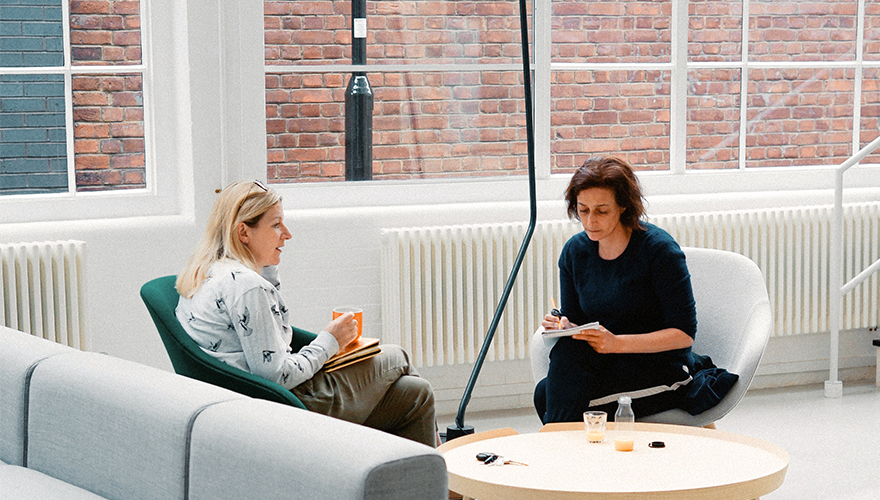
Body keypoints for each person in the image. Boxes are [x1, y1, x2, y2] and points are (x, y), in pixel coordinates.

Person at [176, 180, 436, 446]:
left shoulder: (209, 270)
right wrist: (329, 341)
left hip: (249, 401)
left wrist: (265, 266)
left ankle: (432, 480)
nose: (287, 234)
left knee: (417, 392)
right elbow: (276, 376)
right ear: (244, 232)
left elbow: (269, 338)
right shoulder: (247, 287)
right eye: (276, 224)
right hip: (288, 404)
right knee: (396, 356)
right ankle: (433, 463)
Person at [534, 156, 698, 423]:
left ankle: (559, 456)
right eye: (583, 210)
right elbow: (580, 322)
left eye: (601, 211)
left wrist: (616, 343)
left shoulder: (659, 250)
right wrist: (565, 325)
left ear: (623, 206)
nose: (590, 221)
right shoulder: (575, 252)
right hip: (609, 362)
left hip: (661, 368)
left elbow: (684, 335)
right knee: (550, 384)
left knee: (553, 400)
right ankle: (571, 457)